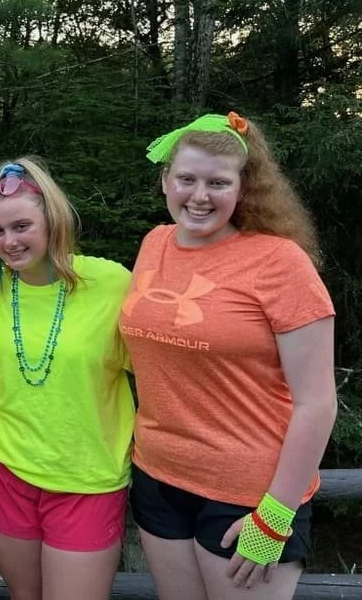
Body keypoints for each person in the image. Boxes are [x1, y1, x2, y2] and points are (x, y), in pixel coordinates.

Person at [120, 112, 336, 600]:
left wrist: (275, 516)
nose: (199, 196)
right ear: (165, 181)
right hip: (159, 476)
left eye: (218, 182)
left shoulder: (280, 263)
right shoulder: (154, 244)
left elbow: (317, 403)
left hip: (249, 494)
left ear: (243, 188)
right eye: (187, 179)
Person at [0, 157, 134, 600]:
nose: (10, 241)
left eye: (22, 226)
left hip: (87, 475)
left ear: (52, 220)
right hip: (4, 465)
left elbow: (160, 372)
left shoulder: (112, 283)